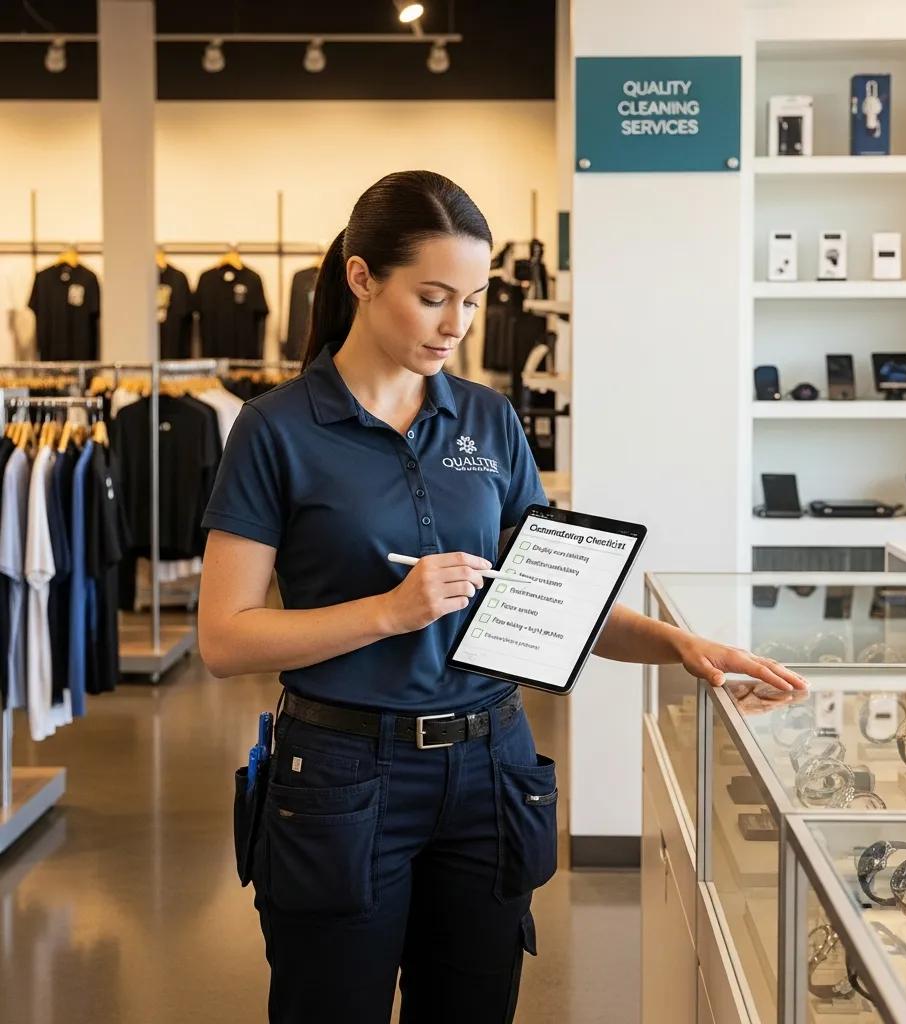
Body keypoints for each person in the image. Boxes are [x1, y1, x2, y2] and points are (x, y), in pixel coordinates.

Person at [197, 169, 807, 1024]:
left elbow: (551, 598)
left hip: (491, 771)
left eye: (474, 301)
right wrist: (390, 611)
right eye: (434, 297)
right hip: (339, 780)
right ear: (363, 278)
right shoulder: (275, 430)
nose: (457, 326)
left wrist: (680, 646)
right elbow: (224, 639)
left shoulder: (489, 420)